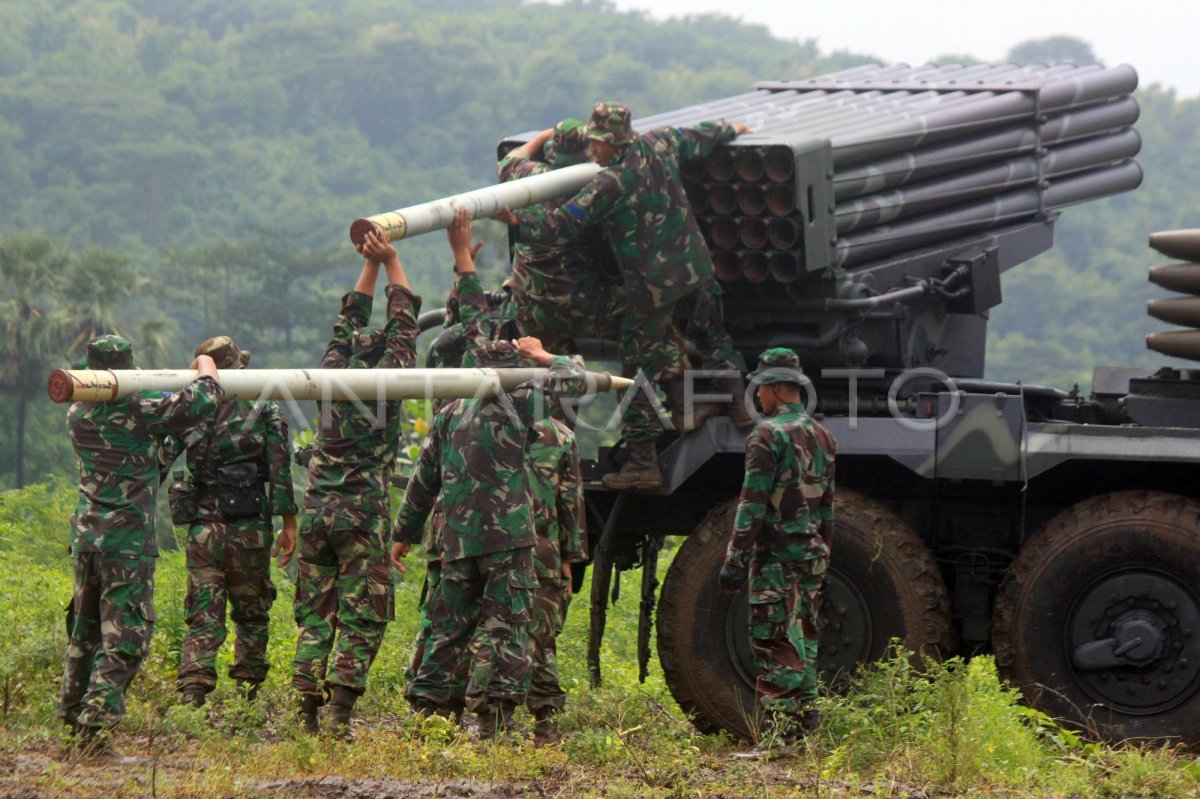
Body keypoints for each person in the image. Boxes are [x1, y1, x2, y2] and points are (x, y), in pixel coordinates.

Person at [500, 101, 750, 491]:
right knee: (713, 336)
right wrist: (731, 128)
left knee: (637, 369)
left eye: (597, 144)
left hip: (651, 286)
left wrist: (518, 221)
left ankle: (642, 463)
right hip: (696, 267)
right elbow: (700, 135)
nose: (592, 151)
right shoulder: (659, 142)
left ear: (612, 143)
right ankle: (740, 407)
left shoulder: (608, 183)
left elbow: (562, 226)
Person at [391, 336, 586, 739]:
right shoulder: (522, 404)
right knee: (507, 629)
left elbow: (424, 479)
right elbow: (575, 377)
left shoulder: (449, 413)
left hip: (458, 541)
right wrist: (541, 355)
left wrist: (404, 533)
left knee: (448, 628)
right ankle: (491, 721)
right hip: (509, 541)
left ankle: (430, 715)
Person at [60, 335, 223, 755]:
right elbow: (203, 401)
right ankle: (94, 731)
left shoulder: (79, 411)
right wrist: (205, 366)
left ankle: (71, 718)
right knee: (126, 638)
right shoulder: (138, 408)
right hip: (126, 543)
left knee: (85, 635)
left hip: (87, 539)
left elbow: (153, 449)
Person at [292, 227, 420, 736]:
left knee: (317, 612)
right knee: (362, 614)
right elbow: (405, 329)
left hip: (317, 511)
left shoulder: (330, 380)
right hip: (361, 517)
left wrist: (369, 263)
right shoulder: (386, 389)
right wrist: (391, 261)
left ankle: (305, 709)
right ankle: (339, 711)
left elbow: (347, 323)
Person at [166, 336, 298, 708]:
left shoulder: (192, 407)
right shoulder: (262, 404)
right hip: (250, 530)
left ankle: (193, 694)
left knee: (203, 614)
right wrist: (289, 522)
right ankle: (247, 699)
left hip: (204, 529)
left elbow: (163, 455)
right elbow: (280, 465)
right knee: (252, 614)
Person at [717, 348, 836, 753]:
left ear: (778, 387)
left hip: (778, 558)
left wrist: (735, 560)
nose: (759, 397)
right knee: (803, 637)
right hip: (812, 554)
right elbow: (829, 505)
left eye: (762, 388)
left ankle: (781, 739)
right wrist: (823, 550)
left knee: (774, 641)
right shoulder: (824, 435)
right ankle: (806, 728)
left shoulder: (767, 434)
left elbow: (752, 503)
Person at [498, 118, 624, 353]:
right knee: (651, 325)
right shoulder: (600, 185)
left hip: (533, 311)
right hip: (588, 309)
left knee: (545, 378)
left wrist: (543, 136)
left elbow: (509, 160)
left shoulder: (529, 175)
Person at [524, 411, 585, 745]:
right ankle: (545, 725)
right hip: (541, 550)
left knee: (484, 636)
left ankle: (489, 723)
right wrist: (569, 557)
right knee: (541, 639)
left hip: (486, 549)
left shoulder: (464, 419)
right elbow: (570, 502)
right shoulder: (560, 435)